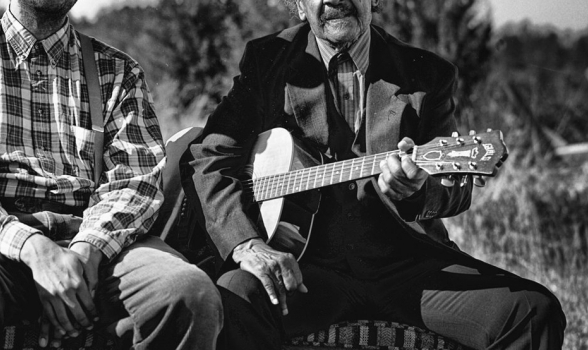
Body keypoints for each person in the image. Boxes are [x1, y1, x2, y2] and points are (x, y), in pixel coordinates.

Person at [183, 0, 566, 349]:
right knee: (236, 292)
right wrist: (246, 244)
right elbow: (210, 154)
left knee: (532, 311)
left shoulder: (427, 74)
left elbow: (453, 191)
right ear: (299, 7)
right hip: (305, 270)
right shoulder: (269, 61)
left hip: (406, 268)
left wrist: (417, 190)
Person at [0, 1, 223, 349]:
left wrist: (85, 251)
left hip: (94, 241)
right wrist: (34, 249)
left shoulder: (119, 71)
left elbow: (134, 182)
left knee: (186, 291)